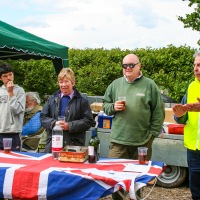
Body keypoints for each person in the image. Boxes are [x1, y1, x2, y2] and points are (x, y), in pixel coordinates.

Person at [102, 54, 165, 199]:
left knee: (137, 182)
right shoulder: (115, 85)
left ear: (139, 66)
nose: (128, 68)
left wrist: (152, 135)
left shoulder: (149, 85)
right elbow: (105, 105)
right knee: (115, 181)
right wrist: (113, 107)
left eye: (131, 65)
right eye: (125, 66)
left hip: (142, 143)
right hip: (119, 142)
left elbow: (158, 112)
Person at [40, 68, 95, 153]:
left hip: (74, 147)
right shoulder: (52, 99)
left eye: (66, 82)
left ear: (73, 83)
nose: (63, 85)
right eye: (61, 82)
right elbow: (43, 118)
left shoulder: (82, 101)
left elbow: (88, 121)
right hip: (53, 146)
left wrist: (69, 126)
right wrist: (54, 123)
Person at [172, 51, 200, 200]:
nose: (196, 68)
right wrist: (180, 114)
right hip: (193, 149)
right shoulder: (191, 87)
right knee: (195, 189)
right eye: (195, 65)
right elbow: (182, 118)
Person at [0, 63, 26, 151]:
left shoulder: (20, 91)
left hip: (13, 132)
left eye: (10, 74)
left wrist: (11, 93)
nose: (8, 78)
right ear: (0, 78)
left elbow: (18, 110)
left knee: (14, 159)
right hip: (0, 131)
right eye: (5, 76)